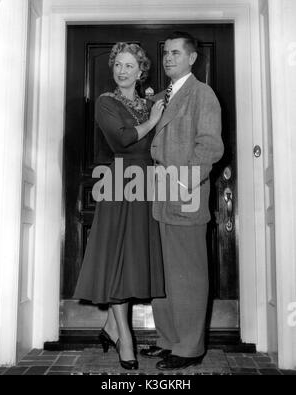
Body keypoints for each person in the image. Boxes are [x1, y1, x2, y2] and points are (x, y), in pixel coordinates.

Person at [73, 42, 165, 370]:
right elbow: (123, 139)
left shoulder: (148, 100)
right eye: (118, 65)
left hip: (148, 184)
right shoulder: (105, 102)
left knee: (133, 260)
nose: (122, 70)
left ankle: (111, 327)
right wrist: (154, 118)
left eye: (129, 65)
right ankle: (126, 338)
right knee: (115, 259)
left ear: (141, 71)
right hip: (120, 181)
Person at [140, 32, 224, 370]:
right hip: (158, 195)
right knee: (163, 272)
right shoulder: (161, 97)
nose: (168, 58)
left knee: (187, 273)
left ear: (192, 58)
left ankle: (189, 347)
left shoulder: (202, 94)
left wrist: (183, 184)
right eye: (165, 53)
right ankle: (168, 339)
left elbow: (210, 147)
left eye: (176, 53)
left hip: (184, 192)